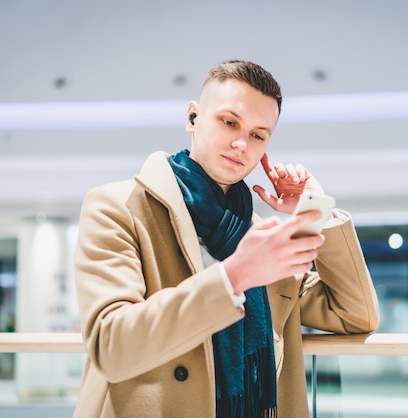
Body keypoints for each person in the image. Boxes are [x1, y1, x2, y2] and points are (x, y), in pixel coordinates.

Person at [73, 60, 380, 418]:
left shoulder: (258, 237)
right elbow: (112, 346)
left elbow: (354, 315)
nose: (240, 143)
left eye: (258, 134)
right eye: (229, 122)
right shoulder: (118, 206)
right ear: (192, 118)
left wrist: (320, 214)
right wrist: (235, 276)